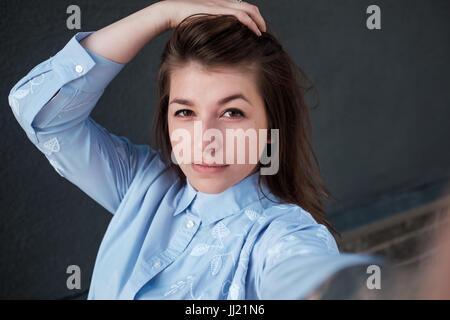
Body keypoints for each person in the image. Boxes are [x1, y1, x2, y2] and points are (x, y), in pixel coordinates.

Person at [8, 0, 384, 300]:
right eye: (185, 111)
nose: (206, 138)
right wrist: (162, 13)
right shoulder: (141, 185)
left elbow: (309, 275)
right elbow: (40, 113)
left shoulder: (280, 235)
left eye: (232, 112)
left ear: (271, 125)